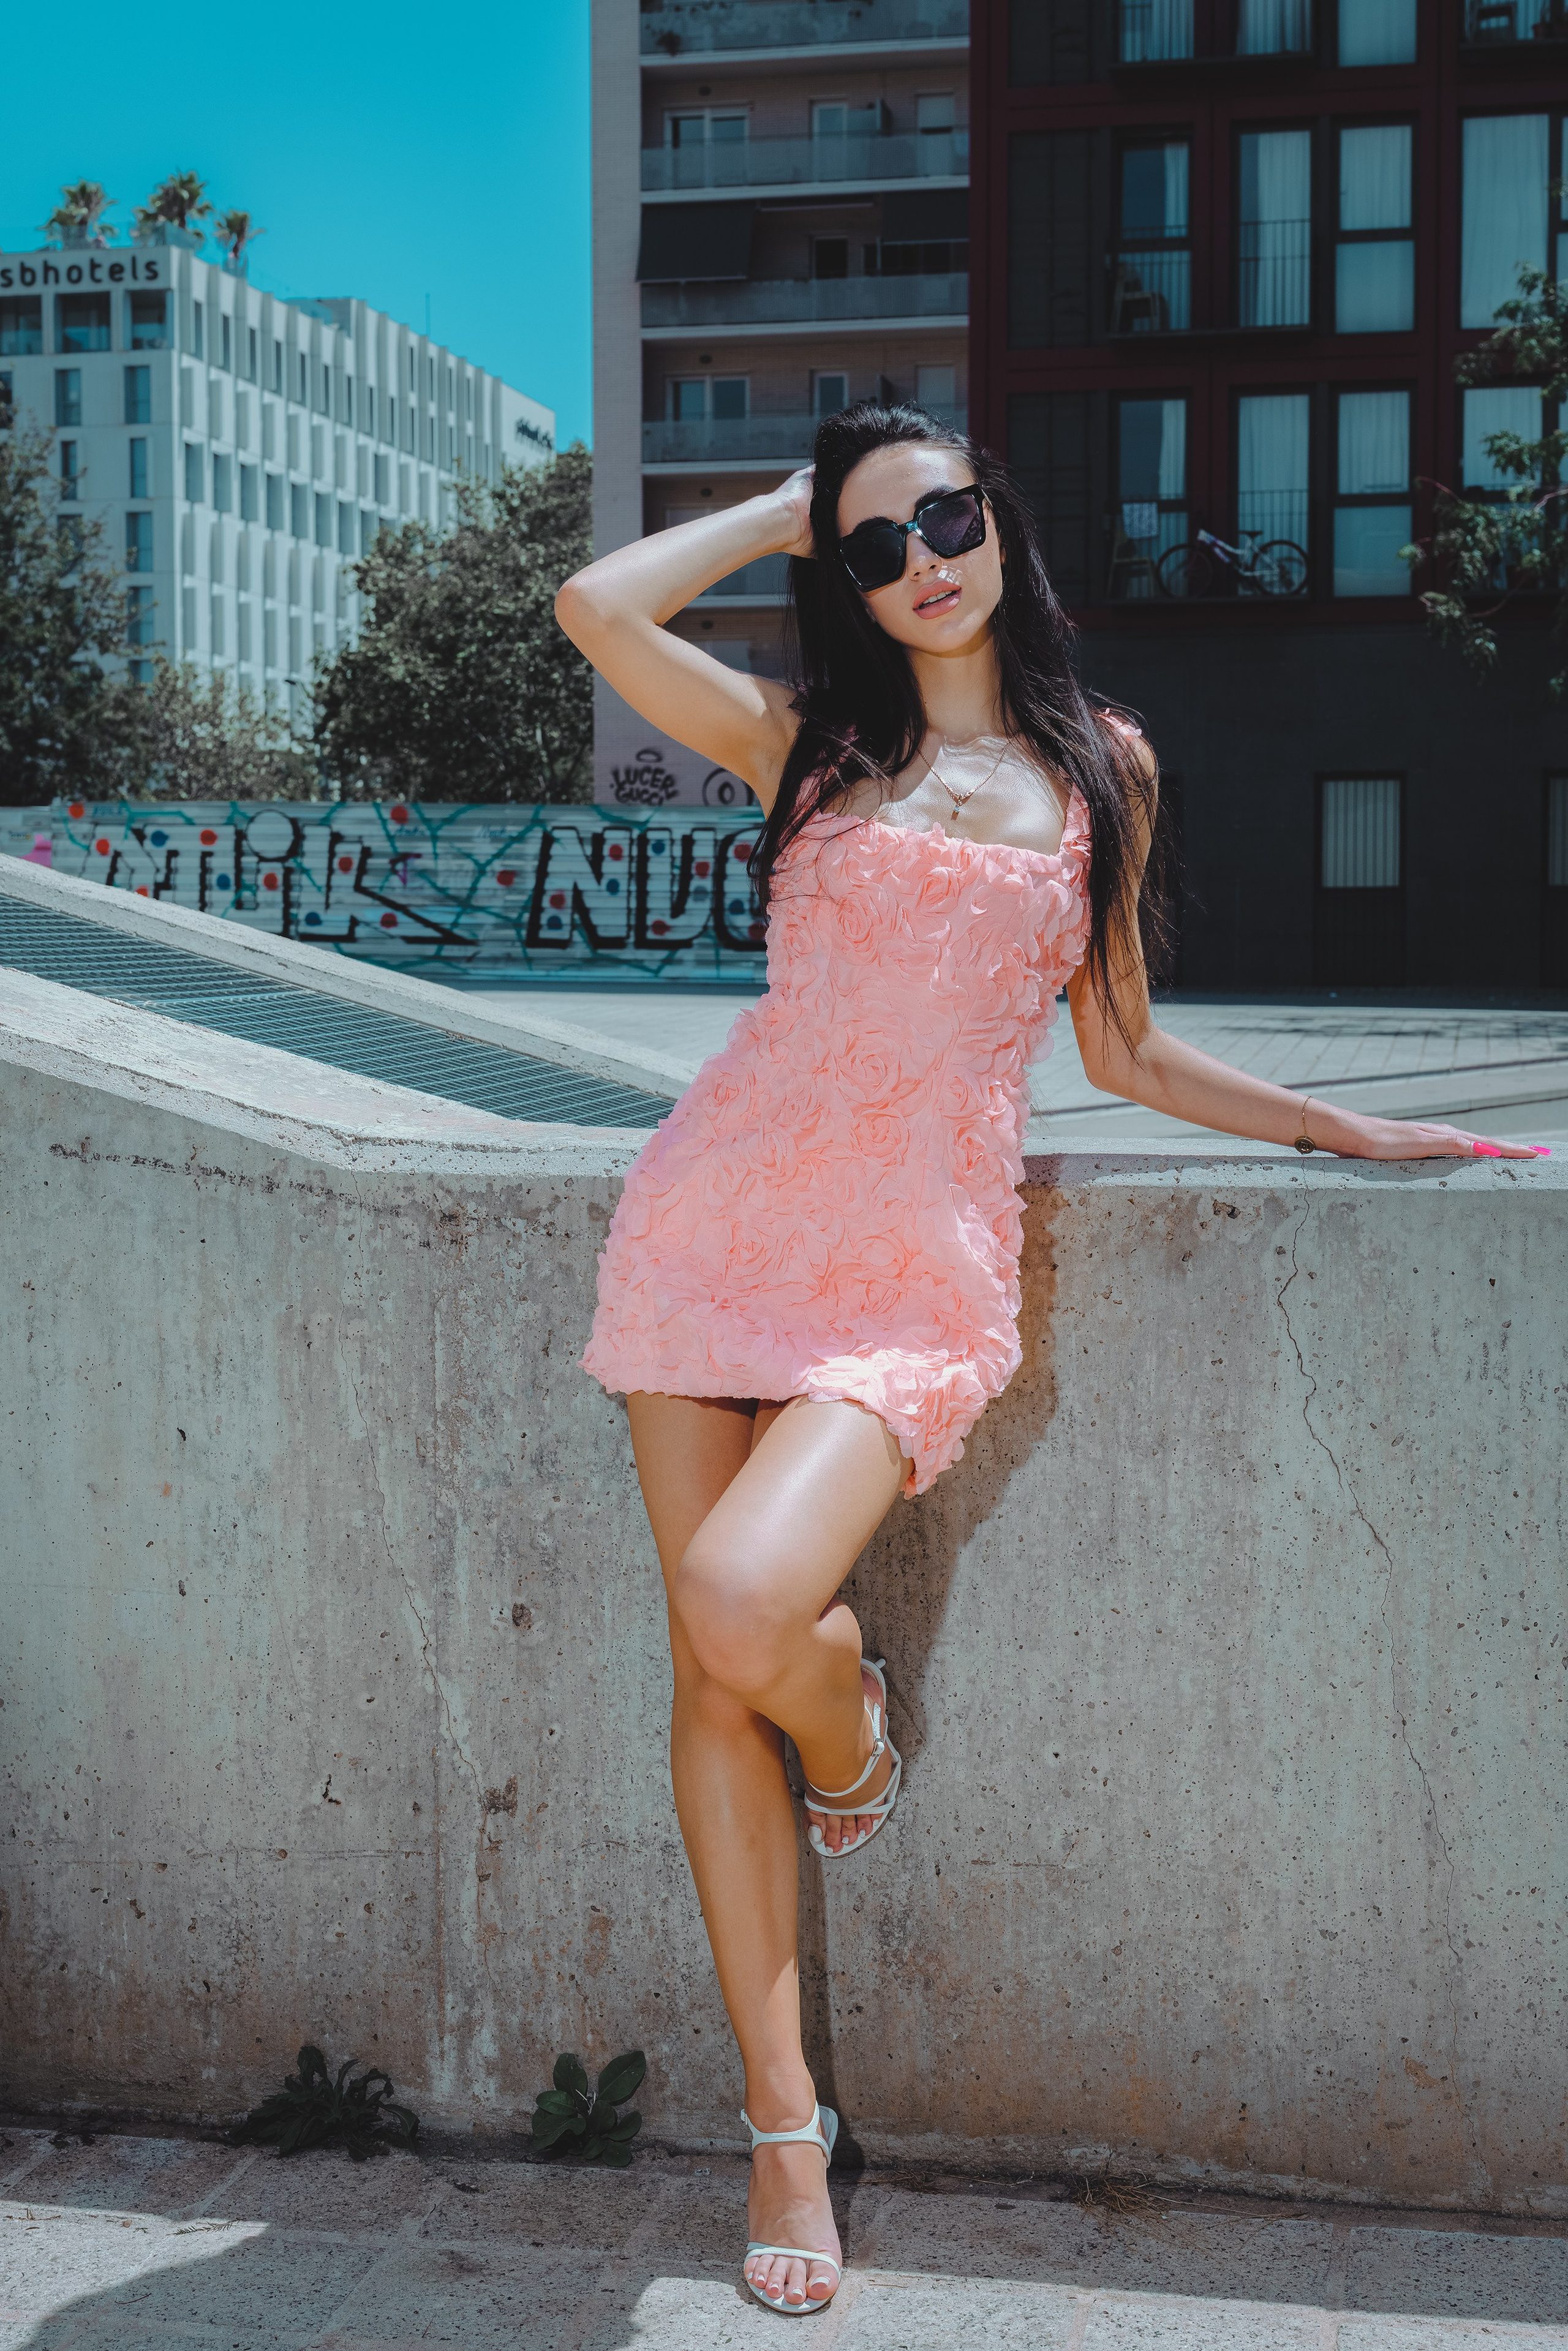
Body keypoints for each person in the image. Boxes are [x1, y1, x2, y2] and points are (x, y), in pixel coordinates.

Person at [553, 402, 1544, 2315]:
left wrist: (1351, 1130)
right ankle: (782, 2127)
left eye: (943, 515)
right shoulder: (808, 744)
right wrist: (782, 504)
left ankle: (852, 1738)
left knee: (750, 1604)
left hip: (911, 1269)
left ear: (997, 517)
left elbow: (1125, 1053)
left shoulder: (1107, 773)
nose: (920, 558)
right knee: (703, 1663)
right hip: (711, 1225)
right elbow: (596, 606)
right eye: (871, 544)